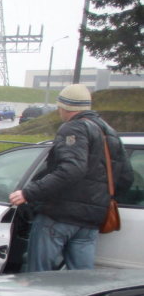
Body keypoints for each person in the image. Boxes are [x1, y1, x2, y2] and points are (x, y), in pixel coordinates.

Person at [9, 84, 132, 272]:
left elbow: (71, 169)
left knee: (39, 276)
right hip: (91, 220)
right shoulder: (110, 132)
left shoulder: (73, 128)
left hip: (59, 215)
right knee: (80, 280)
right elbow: (126, 178)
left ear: (64, 107)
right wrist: (99, 199)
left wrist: (28, 193)